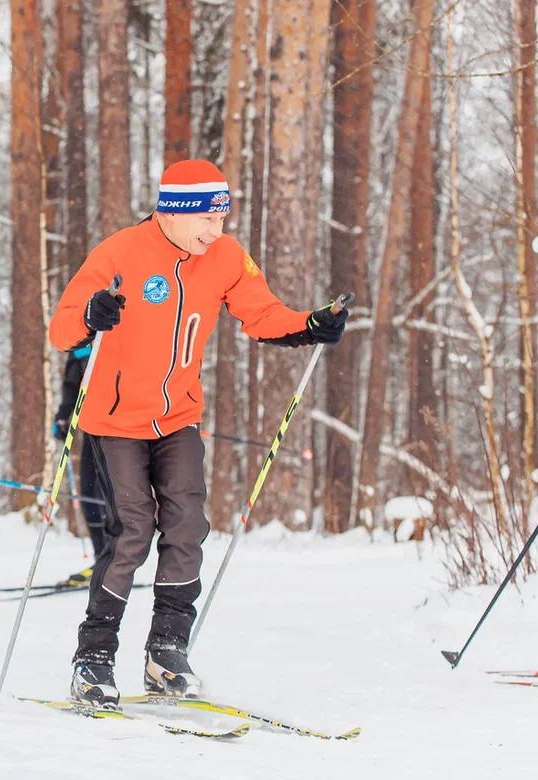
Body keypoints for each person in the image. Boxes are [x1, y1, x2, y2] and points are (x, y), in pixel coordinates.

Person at [48, 159, 349, 706]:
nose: (218, 229)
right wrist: (91, 314)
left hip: (178, 415)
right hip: (114, 421)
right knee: (132, 530)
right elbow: (62, 327)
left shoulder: (227, 258)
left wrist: (309, 324)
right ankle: (93, 658)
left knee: (188, 525)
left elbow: (262, 315)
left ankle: (166, 651)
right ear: (175, 210)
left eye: (223, 216)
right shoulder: (119, 253)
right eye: (209, 217)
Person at [51, 344, 111, 587]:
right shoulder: (80, 336)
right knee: (88, 493)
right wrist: (64, 416)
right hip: (92, 426)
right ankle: (102, 559)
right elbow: (71, 384)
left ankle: (116, 562)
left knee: (111, 493)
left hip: (123, 427)